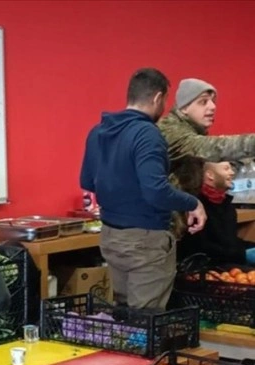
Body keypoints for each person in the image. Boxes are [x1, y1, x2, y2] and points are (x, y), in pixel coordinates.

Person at [79, 68, 207, 310]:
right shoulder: (148, 134)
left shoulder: (98, 132)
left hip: (111, 236)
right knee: (146, 318)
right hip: (145, 240)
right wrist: (192, 203)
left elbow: (87, 181)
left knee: (123, 312)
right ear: (158, 97)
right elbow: (156, 191)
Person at [158, 78, 255, 164]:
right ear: (184, 108)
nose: (213, 106)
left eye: (213, 101)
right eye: (203, 102)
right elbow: (210, 148)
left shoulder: (192, 129)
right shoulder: (171, 130)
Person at [178, 160, 255, 265]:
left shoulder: (226, 204)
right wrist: (242, 255)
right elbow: (198, 247)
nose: (232, 173)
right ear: (210, 175)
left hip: (228, 266)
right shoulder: (195, 206)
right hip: (201, 269)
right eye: (226, 169)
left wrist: (250, 247)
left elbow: (229, 242)